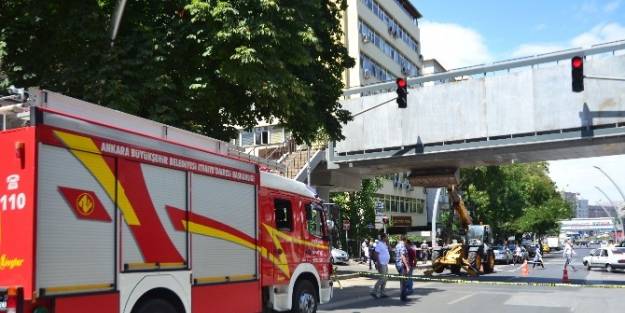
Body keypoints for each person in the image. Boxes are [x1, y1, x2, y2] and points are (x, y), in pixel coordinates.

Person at [370, 234, 390, 299]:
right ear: (384, 238)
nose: (387, 238)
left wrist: (388, 242)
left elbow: (390, 249)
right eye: (387, 237)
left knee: (385, 278)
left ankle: (382, 293)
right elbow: (376, 253)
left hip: (385, 263)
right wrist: (378, 263)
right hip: (381, 263)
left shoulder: (384, 244)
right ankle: (374, 291)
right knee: (382, 278)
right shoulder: (379, 244)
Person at [394, 235, 410, 301]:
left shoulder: (397, 245)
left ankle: (403, 296)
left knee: (402, 281)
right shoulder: (402, 245)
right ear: (405, 240)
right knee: (403, 282)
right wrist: (407, 266)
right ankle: (403, 297)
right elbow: (403, 256)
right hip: (401, 265)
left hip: (398, 264)